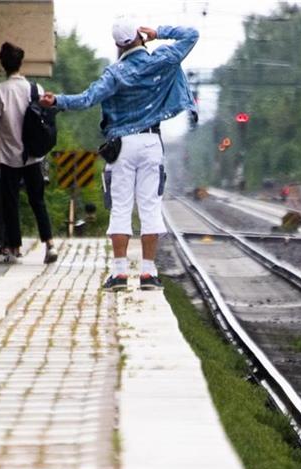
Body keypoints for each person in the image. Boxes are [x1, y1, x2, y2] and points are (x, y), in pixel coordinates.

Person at [39, 20, 199, 291]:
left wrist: (57, 101)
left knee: (121, 207)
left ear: (117, 45)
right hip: (151, 142)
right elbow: (191, 35)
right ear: (139, 37)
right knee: (150, 207)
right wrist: (159, 33)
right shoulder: (162, 58)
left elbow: (87, 98)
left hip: (121, 146)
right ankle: (149, 273)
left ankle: (120, 273)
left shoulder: (115, 74)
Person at [0, 42, 58, 265]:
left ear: (3, 65)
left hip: (8, 157)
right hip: (34, 155)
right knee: (38, 201)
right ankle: (50, 245)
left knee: (10, 203)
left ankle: (14, 249)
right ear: (21, 63)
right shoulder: (36, 89)